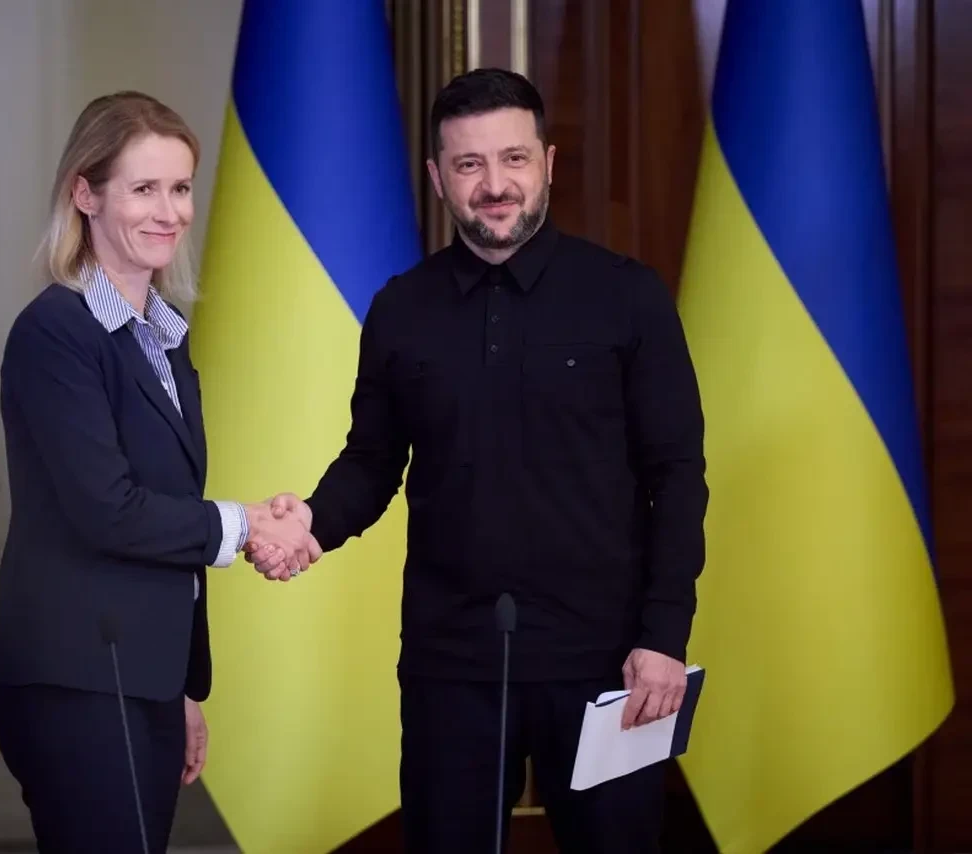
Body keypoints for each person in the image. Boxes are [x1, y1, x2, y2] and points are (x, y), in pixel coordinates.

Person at [247, 68, 707, 853]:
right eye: (469, 164)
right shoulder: (401, 309)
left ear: (547, 164)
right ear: (438, 178)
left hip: (609, 663)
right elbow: (372, 460)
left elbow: (678, 476)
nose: (495, 185)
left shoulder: (628, 297)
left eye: (513, 159)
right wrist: (311, 523)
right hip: (450, 662)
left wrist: (665, 635)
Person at [0, 91, 318, 853]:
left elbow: (167, 507)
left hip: (141, 679)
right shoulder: (56, 333)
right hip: (79, 682)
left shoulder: (162, 336)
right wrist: (246, 525)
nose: (169, 212)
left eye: (180, 187)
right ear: (85, 194)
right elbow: (109, 509)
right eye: (143, 188)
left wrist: (180, 687)